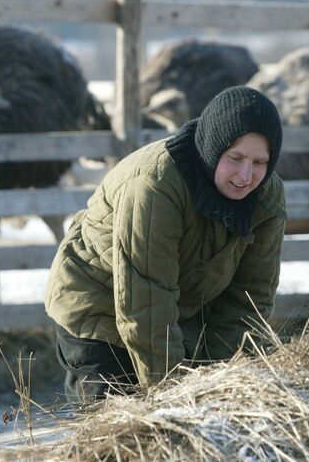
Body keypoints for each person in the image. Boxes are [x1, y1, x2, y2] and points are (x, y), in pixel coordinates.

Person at [44, 86, 286, 403]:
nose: (245, 175)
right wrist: (173, 400)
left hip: (178, 305)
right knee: (117, 424)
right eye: (235, 158)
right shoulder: (155, 185)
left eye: (260, 162)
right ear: (214, 150)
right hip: (99, 301)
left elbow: (250, 297)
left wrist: (217, 383)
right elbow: (145, 301)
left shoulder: (266, 197)